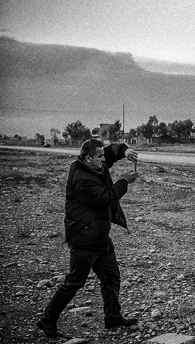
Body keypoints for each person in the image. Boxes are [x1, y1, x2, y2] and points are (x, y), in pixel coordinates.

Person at [36, 138, 139, 338]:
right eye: (100, 156)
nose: (104, 159)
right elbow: (105, 199)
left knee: (111, 277)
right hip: (84, 237)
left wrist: (125, 151)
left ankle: (113, 317)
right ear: (89, 158)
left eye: (102, 155)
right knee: (74, 282)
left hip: (99, 236)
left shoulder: (94, 165)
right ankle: (47, 320)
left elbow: (110, 151)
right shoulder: (82, 179)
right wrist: (124, 181)